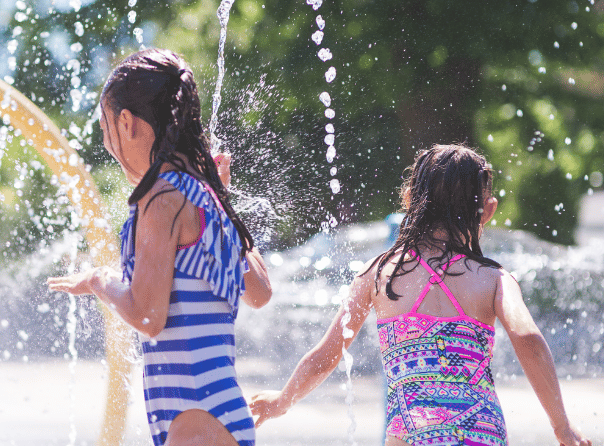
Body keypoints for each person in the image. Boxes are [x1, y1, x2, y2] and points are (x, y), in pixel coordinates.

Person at [249, 144, 591, 446]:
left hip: (410, 430)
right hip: (480, 429)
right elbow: (528, 338)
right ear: (488, 210)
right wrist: (561, 426)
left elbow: (326, 354)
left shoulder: (378, 273)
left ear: (409, 200)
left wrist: (282, 401)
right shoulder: (494, 278)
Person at [47, 48, 272, 446]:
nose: (106, 142)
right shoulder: (205, 197)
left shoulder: (161, 199)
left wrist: (99, 280)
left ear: (126, 123)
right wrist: (223, 194)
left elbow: (148, 315)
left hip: (193, 413)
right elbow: (259, 291)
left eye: (105, 128)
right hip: (211, 406)